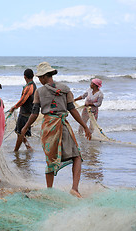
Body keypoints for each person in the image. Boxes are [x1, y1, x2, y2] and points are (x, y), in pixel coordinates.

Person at [21, 62, 91, 197]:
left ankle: (49, 190)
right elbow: (72, 110)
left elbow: (34, 113)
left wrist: (25, 127)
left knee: (50, 159)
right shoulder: (65, 89)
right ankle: (74, 189)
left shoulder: (39, 92)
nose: (39, 80)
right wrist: (85, 126)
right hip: (63, 126)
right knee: (76, 156)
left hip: (48, 128)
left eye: (40, 77)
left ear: (45, 76)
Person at [8, 68, 36, 151]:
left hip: (25, 114)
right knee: (20, 132)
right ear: (33, 76)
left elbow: (23, 100)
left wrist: (14, 107)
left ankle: (16, 150)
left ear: (24, 77)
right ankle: (28, 147)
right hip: (28, 112)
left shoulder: (29, 87)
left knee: (19, 132)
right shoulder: (34, 86)